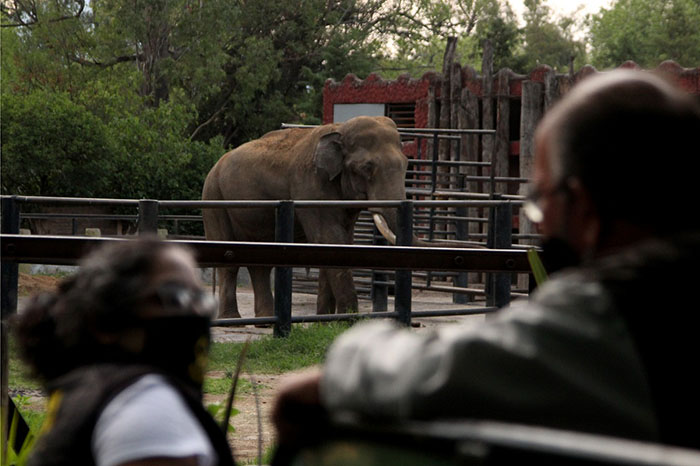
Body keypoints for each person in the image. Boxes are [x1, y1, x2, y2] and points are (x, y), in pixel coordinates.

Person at [272, 69, 700, 450]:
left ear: (585, 211)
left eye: (541, 199)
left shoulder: (610, 316)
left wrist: (352, 347)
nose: (539, 220)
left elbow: (437, 371)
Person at [13, 238, 236, 466]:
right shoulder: (145, 406)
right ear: (106, 319)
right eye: (176, 297)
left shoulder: (91, 390)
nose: (196, 313)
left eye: (202, 300)